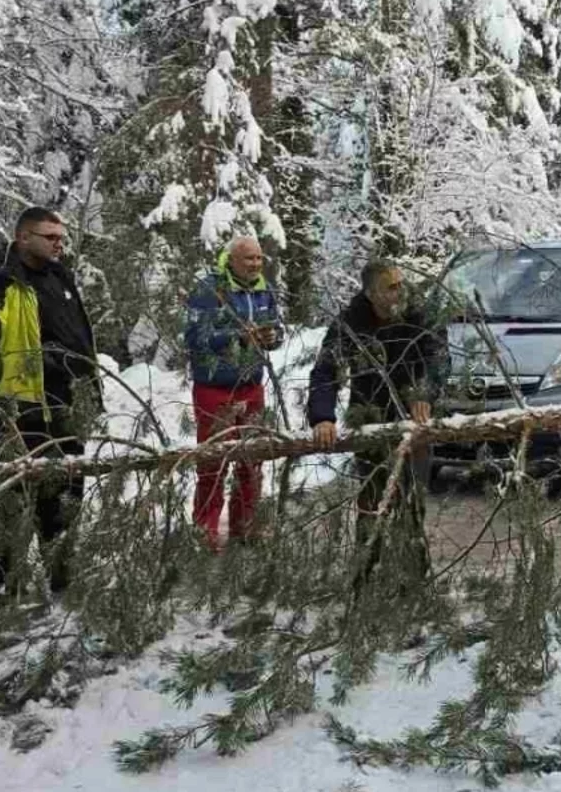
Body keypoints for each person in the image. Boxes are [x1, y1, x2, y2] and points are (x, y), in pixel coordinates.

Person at [0, 207, 99, 598]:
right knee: (12, 502)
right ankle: (13, 585)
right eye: (50, 237)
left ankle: (62, 578)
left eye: (61, 236)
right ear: (23, 238)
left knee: (66, 496)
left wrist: (89, 396)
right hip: (12, 407)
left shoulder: (60, 277)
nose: (60, 243)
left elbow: (76, 340)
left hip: (65, 407)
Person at [306, 260, 444, 590]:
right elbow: (325, 372)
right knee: (371, 503)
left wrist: (424, 392)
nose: (401, 291)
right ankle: (364, 577)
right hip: (368, 417)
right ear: (371, 294)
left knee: (411, 503)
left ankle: (413, 582)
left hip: (415, 420)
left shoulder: (418, 312)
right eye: (391, 287)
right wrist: (322, 417)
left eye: (401, 283)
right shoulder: (351, 323)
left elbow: (438, 357)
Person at [184, 235, 283, 550]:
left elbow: (275, 328)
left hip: (252, 384)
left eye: (258, 258)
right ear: (231, 260)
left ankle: (246, 524)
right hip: (215, 388)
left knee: (253, 458)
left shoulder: (263, 289)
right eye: (248, 259)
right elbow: (196, 337)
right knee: (214, 461)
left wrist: (272, 337)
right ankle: (206, 529)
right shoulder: (210, 289)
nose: (255, 264)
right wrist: (239, 335)